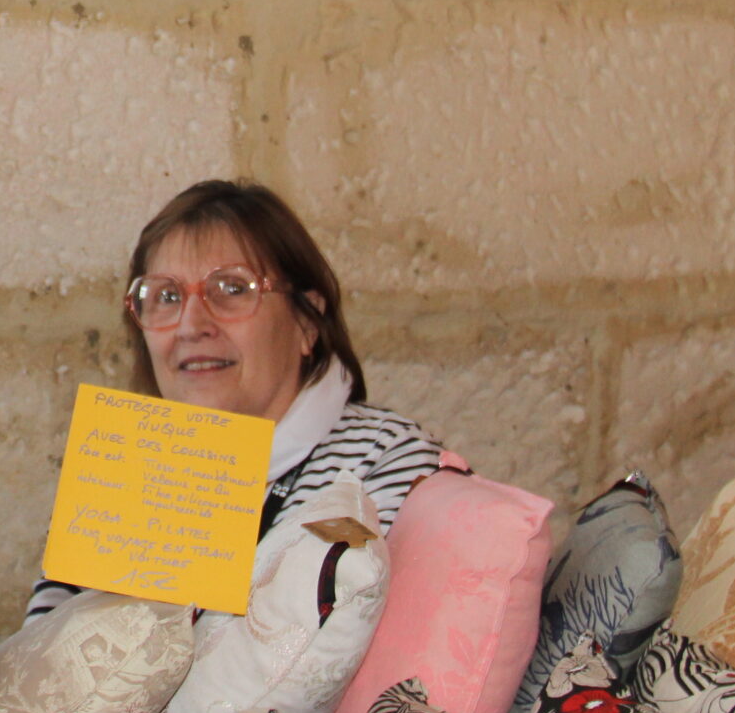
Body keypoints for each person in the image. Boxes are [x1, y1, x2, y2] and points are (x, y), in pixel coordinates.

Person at [27, 178, 442, 620]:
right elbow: (45, 648)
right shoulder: (123, 478)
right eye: (166, 296)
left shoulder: (384, 462)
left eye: (231, 289)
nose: (191, 325)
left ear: (307, 320)